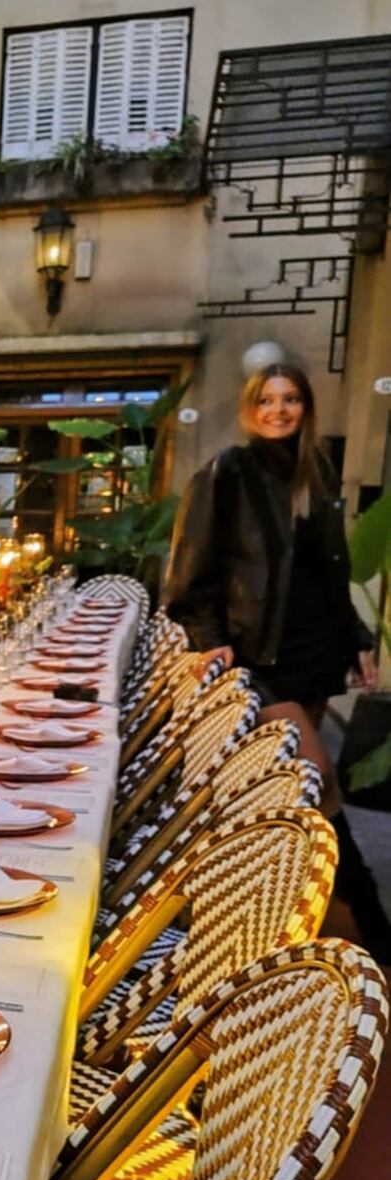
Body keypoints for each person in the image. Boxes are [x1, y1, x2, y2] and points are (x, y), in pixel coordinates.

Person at [163, 360, 391, 960]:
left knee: (291, 804)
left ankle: (304, 936)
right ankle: (371, 938)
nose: (278, 410)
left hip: (312, 663)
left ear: (305, 407)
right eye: (267, 399)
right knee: (322, 794)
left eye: (290, 399)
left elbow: (327, 577)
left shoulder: (314, 475)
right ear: (249, 407)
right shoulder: (227, 472)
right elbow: (189, 576)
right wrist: (208, 642)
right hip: (260, 664)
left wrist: (358, 641)